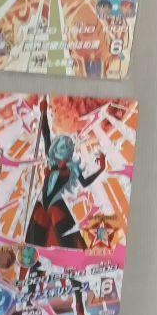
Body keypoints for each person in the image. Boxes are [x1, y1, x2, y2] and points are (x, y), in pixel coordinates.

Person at [24, 97, 105, 251]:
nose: (65, 156)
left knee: (69, 246)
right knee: (33, 247)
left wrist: (101, 169)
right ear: (56, 151)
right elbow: (46, 133)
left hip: (56, 205)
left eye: (68, 152)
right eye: (62, 151)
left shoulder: (72, 167)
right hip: (41, 204)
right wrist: (43, 112)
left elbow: (85, 182)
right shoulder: (51, 161)